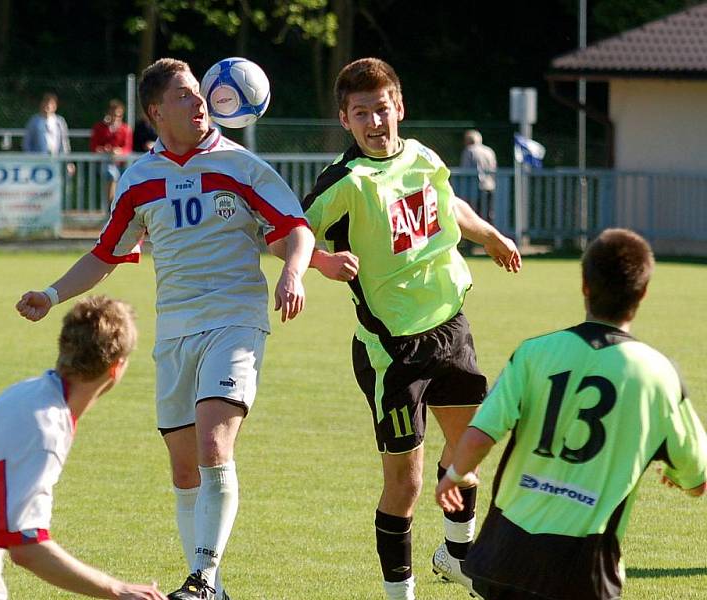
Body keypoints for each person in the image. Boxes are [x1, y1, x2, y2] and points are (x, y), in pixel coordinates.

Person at [16, 58, 314, 600]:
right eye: (184, 96)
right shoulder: (139, 179)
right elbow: (105, 254)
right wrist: (52, 293)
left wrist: (293, 273)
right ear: (156, 112)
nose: (199, 102)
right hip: (175, 331)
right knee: (184, 473)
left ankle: (199, 578)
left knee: (213, 442)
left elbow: (295, 227)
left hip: (235, 320)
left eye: (200, 93)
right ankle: (215, 588)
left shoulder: (241, 165)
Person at [302, 58, 521, 600]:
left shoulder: (423, 156)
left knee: (469, 450)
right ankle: (400, 593)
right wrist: (322, 263)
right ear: (345, 119)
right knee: (407, 483)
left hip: (452, 329)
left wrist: (488, 234)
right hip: (393, 350)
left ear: (398, 106)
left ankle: (456, 555)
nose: (375, 121)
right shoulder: (344, 182)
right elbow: (287, 232)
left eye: (382, 108)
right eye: (361, 113)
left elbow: (449, 205)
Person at [436, 228, 707, 600]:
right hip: (584, 565)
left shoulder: (535, 353)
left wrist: (454, 474)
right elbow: (698, 479)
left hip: (506, 553)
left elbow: (482, 433)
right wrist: (681, 476)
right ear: (642, 293)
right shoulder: (658, 375)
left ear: (584, 285)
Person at [0, 296, 166, 600]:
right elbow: (26, 547)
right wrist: (116, 589)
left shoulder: (33, 395)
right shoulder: (43, 427)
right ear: (116, 367)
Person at [90, 99, 133, 203]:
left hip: (123, 163)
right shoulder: (99, 128)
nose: (115, 118)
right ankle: (111, 205)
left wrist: (119, 151)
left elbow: (128, 148)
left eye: (119, 115)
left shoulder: (125, 129)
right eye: (113, 114)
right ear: (108, 114)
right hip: (105, 162)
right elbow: (93, 147)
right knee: (111, 173)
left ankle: (118, 206)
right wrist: (104, 150)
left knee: (127, 179)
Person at [22, 92, 75, 175]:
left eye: (50, 103)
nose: (47, 105)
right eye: (45, 102)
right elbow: (27, 143)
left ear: (55, 106)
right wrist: (30, 159)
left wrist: (68, 162)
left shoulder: (60, 121)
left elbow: (64, 143)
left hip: (56, 159)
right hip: (38, 160)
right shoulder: (34, 121)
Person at [459, 129, 497, 223]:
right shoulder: (489, 151)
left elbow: (465, 169)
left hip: (474, 187)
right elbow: (494, 167)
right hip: (490, 186)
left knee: (474, 214)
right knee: (488, 213)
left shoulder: (469, 151)